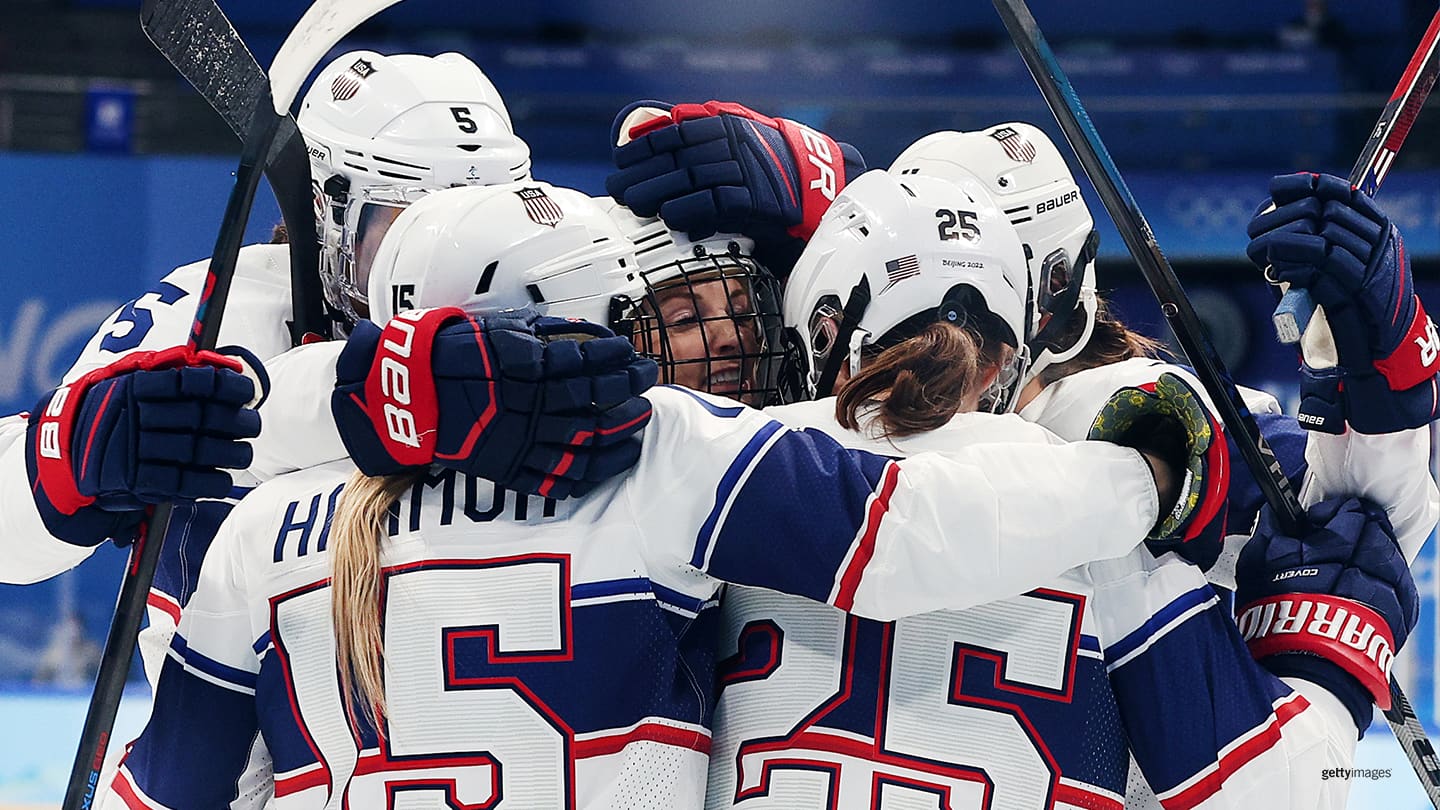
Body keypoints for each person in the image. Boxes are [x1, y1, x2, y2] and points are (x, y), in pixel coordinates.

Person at [105, 177, 1214, 809]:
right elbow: (914, 531)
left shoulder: (264, 529)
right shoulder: (652, 455)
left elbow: (165, 796)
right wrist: (1144, 472)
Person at [606, 108, 1438, 806]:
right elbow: (1352, 530)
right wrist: (1384, 379)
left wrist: (826, 187)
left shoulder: (740, 453)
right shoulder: (1147, 444)